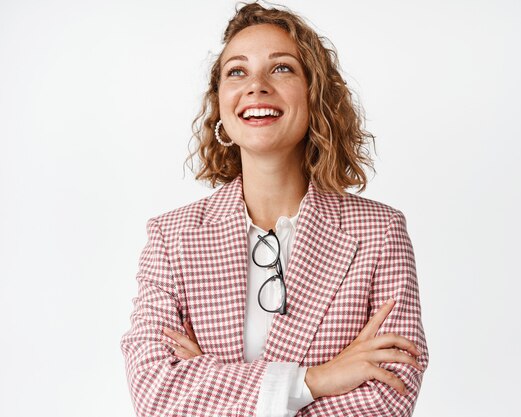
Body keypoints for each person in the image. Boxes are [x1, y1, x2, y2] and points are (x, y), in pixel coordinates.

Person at [120, 2, 428, 416]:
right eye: (237, 71)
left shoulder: (380, 232)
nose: (256, 86)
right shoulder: (171, 237)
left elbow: (388, 398)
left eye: (281, 68)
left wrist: (211, 386)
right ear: (220, 106)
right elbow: (157, 397)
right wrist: (316, 379)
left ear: (315, 94)